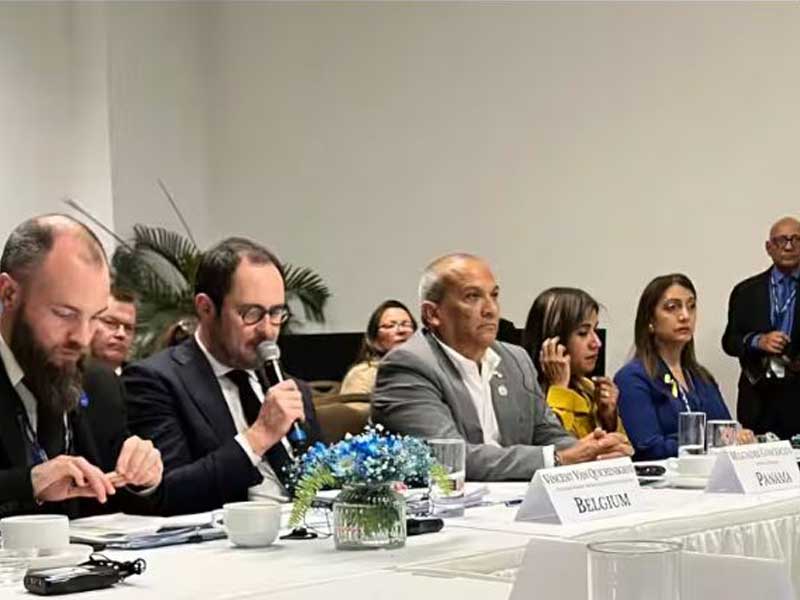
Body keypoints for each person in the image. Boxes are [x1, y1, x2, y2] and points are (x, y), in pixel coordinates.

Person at [372, 253, 632, 481]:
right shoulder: (408, 366)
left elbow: (547, 433)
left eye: (494, 295)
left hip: (518, 505)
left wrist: (595, 452)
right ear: (433, 314)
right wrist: (558, 458)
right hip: (449, 510)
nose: (491, 309)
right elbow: (448, 458)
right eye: (472, 297)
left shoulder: (515, 359)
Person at [123, 237, 321, 514]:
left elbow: (320, 482)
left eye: (276, 312)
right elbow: (169, 493)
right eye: (251, 313)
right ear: (206, 308)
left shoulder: (289, 387)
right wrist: (259, 436)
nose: (267, 330)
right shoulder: (156, 381)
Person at [0, 215, 164, 519]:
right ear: (8, 294)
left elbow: (122, 508)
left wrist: (142, 478)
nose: (82, 338)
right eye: (65, 314)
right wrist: (28, 483)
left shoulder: (100, 383)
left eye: (95, 317)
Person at [616, 274, 754, 460]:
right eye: (672, 308)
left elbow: (725, 431)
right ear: (650, 320)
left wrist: (741, 437)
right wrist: (709, 441)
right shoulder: (633, 378)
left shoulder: (702, 377)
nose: (685, 316)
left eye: (691, 306)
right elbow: (649, 447)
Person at [722, 217, 800, 439]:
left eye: (796, 239)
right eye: (781, 240)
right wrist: (758, 341)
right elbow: (729, 341)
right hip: (757, 400)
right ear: (769, 248)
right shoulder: (746, 291)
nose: (788, 246)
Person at [523, 287, 626, 440]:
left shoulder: (588, 389)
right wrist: (559, 388)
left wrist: (609, 419)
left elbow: (625, 449)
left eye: (595, 330)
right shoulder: (527, 396)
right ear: (553, 341)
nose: (597, 343)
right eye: (583, 333)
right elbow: (553, 446)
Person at [340, 299, 417, 394]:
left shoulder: (424, 369)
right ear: (375, 338)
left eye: (406, 325)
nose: (401, 330)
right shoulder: (363, 375)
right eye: (390, 326)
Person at [90, 287, 137, 374]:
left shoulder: (138, 378)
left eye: (128, 328)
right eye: (110, 323)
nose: (121, 334)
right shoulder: (67, 375)